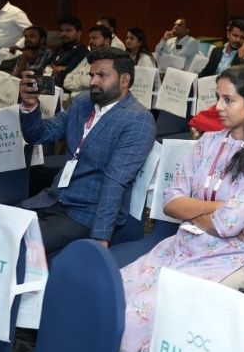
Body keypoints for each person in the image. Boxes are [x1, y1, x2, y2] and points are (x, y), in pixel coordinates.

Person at [119, 65, 244, 352]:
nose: (219, 107)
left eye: (228, 100)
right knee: (119, 293)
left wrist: (195, 209)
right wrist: (219, 207)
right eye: (217, 98)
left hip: (230, 258)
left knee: (146, 313)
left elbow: (228, 226)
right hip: (182, 247)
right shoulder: (209, 141)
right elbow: (170, 201)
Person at [18, 47, 156, 252]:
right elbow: (40, 135)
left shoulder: (138, 120)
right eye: (92, 75)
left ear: (124, 80)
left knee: (18, 244)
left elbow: (115, 181)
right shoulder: (84, 102)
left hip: (87, 213)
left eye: (102, 75)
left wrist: (100, 237)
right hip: (53, 198)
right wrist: (29, 105)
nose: (93, 81)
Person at [63, 25, 112, 98]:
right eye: (90, 38)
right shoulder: (87, 57)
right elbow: (66, 81)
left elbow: (94, 83)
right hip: (75, 99)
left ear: (107, 41)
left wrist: (78, 78)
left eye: (95, 38)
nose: (91, 41)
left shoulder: (110, 60)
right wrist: (84, 81)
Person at [48, 15, 89, 88]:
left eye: (68, 30)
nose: (63, 34)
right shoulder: (58, 49)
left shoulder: (82, 51)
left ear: (79, 33)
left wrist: (61, 69)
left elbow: (69, 73)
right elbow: (42, 68)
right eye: (61, 31)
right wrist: (58, 69)